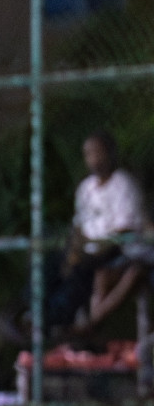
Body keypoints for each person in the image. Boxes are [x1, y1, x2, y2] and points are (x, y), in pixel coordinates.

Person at [53, 132, 148, 335]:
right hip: (92, 255)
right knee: (70, 268)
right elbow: (78, 225)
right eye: (89, 154)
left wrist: (93, 252)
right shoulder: (85, 188)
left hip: (122, 251)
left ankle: (87, 328)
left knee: (121, 274)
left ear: (110, 154)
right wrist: (76, 250)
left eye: (99, 152)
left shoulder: (123, 183)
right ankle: (67, 325)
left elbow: (124, 230)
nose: (94, 159)